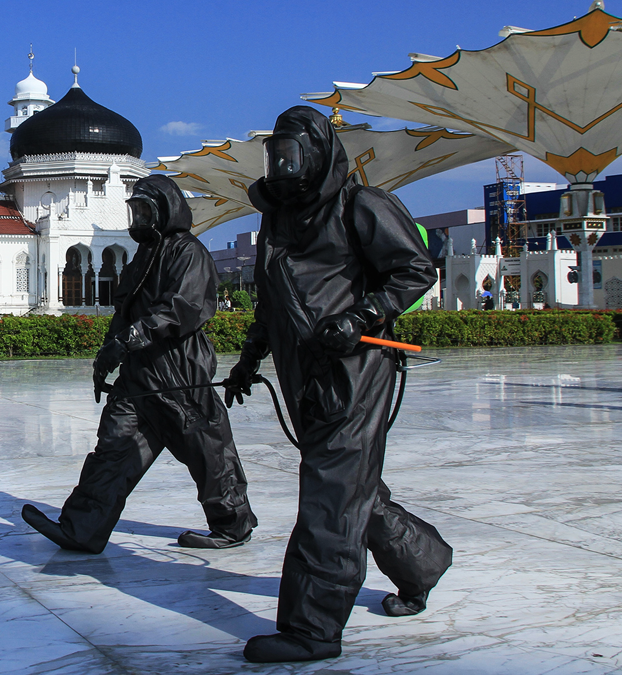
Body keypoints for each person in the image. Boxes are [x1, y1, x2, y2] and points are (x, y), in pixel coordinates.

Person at [229, 106, 453, 663]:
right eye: (274, 155)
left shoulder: (362, 205)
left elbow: (416, 269)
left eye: (292, 154)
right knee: (352, 487)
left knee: (330, 493)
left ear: (320, 153)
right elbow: (271, 301)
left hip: (355, 370)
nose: (282, 165)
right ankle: (421, 561)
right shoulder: (277, 219)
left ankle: (313, 628)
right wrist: (248, 359)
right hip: (302, 372)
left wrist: (362, 316)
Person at [22, 174, 257, 554]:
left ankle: (233, 523)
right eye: (136, 210)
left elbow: (182, 308)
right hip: (138, 374)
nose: (140, 218)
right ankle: (82, 527)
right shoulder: (144, 256)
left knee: (206, 448)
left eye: (147, 210)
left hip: (178, 370)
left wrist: (130, 340)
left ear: (165, 212)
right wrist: (106, 356)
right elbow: (124, 312)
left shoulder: (188, 252)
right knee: (113, 448)